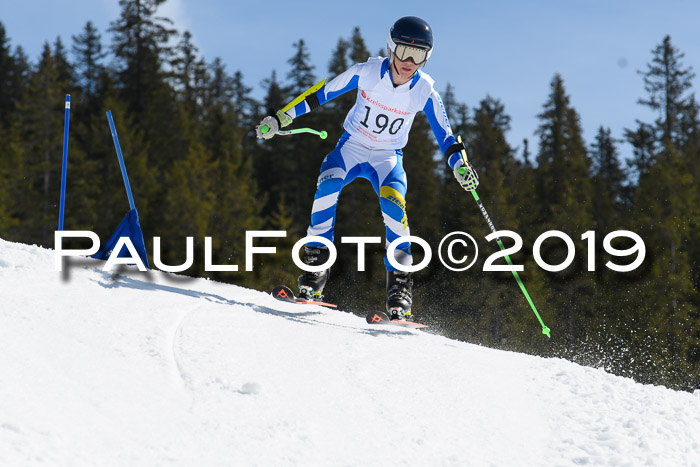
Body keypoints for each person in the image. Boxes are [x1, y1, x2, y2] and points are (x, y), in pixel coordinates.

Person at [256, 16, 479, 321]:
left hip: (387, 157)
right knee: (327, 186)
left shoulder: (425, 91)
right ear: (391, 48)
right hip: (352, 147)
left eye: (418, 55)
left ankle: (400, 292)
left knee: (394, 207)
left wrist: (460, 166)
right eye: (403, 51)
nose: (408, 61)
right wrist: (281, 118)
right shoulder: (368, 72)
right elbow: (321, 92)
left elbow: (446, 136)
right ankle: (314, 274)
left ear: (427, 57)